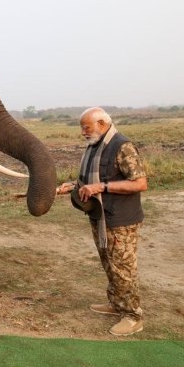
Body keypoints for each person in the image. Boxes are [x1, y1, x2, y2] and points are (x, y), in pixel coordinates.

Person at [56, 107, 148, 336]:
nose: (83, 132)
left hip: (121, 221)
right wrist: (71, 186)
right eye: (82, 127)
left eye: (86, 127)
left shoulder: (122, 146)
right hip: (100, 217)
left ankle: (133, 316)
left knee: (123, 269)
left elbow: (140, 184)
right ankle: (117, 304)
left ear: (102, 123)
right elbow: (89, 179)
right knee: (109, 264)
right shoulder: (95, 147)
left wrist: (102, 187)